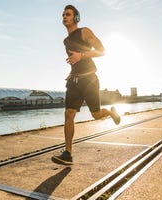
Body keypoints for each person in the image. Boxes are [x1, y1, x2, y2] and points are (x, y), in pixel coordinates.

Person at [52, 5, 121, 165]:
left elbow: (102, 51)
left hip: (89, 80)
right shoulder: (66, 41)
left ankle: (111, 113)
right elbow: (73, 59)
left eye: (68, 14)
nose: (64, 16)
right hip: (74, 81)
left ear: (76, 18)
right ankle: (68, 154)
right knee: (69, 114)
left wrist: (82, 55)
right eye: (63, 14)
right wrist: (71, 71)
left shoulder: (84, 31)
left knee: (96, 114)